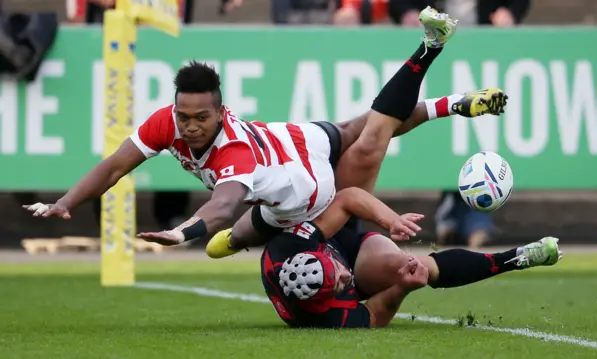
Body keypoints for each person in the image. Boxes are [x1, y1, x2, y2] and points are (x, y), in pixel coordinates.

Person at [23, 7, 506, 257]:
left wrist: (182, 231)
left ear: (221, 112)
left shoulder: (233, 153)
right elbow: (114, 164)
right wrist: (67, 200)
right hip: (294, 142)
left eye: (201, 119)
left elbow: (224, 204)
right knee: (364, 123)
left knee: (374, 133)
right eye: (184, 117)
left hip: (317, 192)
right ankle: (452, 104)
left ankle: (429, 46)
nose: (190, 128)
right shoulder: (165, 122)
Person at [261, 186, 563, 328]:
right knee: (410, 270)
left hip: (343, 243)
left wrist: (390, 220)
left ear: (316, 253)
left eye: (336, 270)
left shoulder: (289, 246)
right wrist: (404, 287)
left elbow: (349, 197)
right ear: (323, 301)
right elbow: (375, 316)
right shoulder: (327, 317)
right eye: (340, 284)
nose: (345, 276)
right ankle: (518, 258)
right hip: (333, 266)